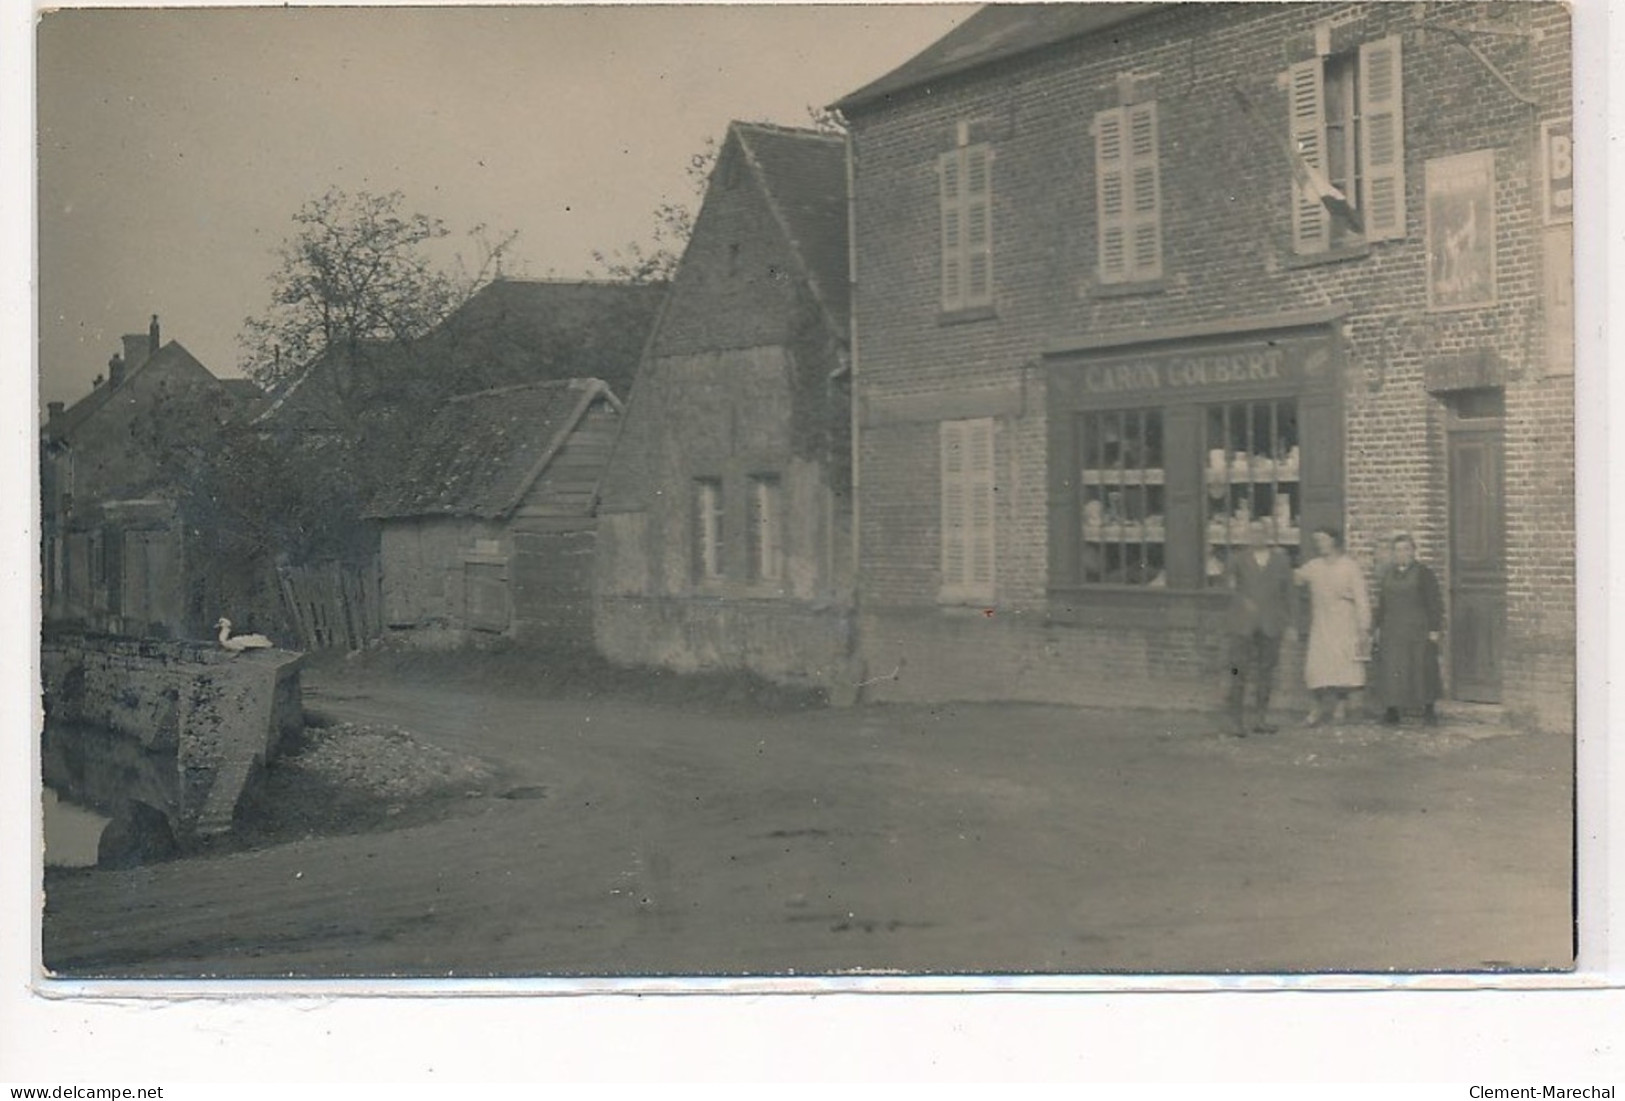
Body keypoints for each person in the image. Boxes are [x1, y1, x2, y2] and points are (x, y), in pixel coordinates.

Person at [1222, 519, 1295, 736]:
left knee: (1266, 671)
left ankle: (1260, 719)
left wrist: (1291, 623)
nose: (1257, 536)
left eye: (1261, 532)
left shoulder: (1281, 561)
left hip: (1271, 625)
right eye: (1252, 532)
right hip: (1242, 625)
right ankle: (1236, 722)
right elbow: (1228, 588)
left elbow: (1289, 594)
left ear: (1269, 535)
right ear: (1247, 536)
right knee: (1237, 670)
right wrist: (1242, 599)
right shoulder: (1237, 559)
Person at [1294, 525, 1371, 725]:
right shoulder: (1314, 566)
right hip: (1321, 621)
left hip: (1344, 621)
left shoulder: (1349, 566)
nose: (1320, 545)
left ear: (1334, 541)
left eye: (1324, 540)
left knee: (1342, 666)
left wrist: (1364, 626)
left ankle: (1340, 706)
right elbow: (1296, 578)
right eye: (1317, 541)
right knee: (1317, 667)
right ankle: (1316, 708)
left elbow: (1361, 598)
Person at [1372, 532, 1445, 726]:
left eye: (1406, 549)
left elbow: (1434, 603)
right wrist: (1377, 627)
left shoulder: (1424, 573)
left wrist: (1434, 629)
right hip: (1392, 630)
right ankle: (1392, 711)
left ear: (1413, 552)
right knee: (1392, 670)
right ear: (1393, 553)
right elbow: (1382, 604)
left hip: (1417, 629)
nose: (1401, 553)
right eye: (1397, 550)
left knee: (1422, 668)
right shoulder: (1387, 574)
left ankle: (1429, 711)